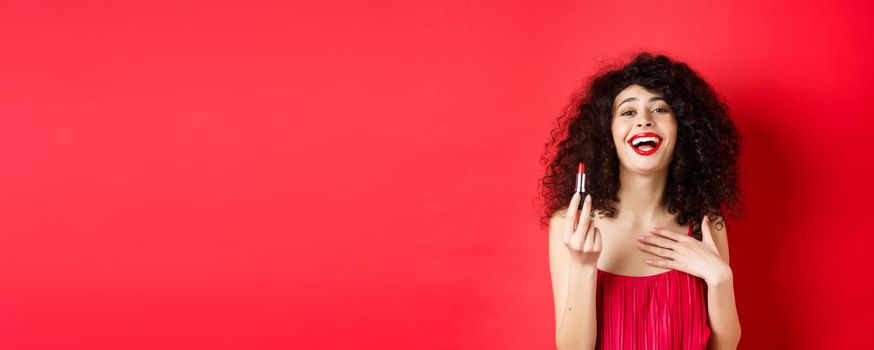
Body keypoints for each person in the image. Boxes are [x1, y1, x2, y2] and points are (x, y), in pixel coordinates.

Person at [538, 52, 742, 349]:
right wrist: (583, 266)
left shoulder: (706, 223)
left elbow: (725, 347)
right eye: (628, 112)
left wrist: (720, 279)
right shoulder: (571, 225)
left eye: (660, 110)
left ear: (682, 129)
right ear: (608, 134)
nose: (644, 121)